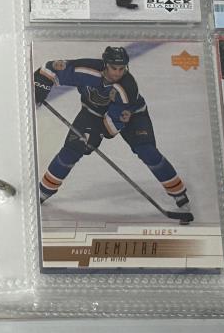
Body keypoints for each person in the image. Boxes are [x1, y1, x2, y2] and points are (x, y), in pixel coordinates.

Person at [34, 46, 191, 220]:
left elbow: (111, 126)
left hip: (133, 115)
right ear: (105, 65)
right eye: (114, 68)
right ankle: (43, 192)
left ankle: (179, 193)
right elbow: (49, 69)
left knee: (147, 151)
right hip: (92, 113)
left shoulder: (127, 88)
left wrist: (95, 136)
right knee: (71, 150)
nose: (117, 73)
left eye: (122, 68)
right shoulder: (86, 70)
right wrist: (39, 87)